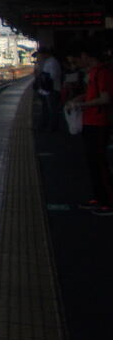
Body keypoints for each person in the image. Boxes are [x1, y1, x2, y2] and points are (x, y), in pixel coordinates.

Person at [66, 41, 113, 215]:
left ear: (85, 55)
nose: (77, 64)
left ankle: (108, 203)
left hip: (99, 123)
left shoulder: (102, 72)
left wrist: (83, 104)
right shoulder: (94, 72)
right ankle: (98, 198)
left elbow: (106, 98)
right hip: (90, 122)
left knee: (100, 163)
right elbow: (95, 95)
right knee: (93, 163)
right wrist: (80, 98)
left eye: (77, 60)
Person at [34, 47, 63, 131]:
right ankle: (45, 126)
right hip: (47, 89)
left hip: (52, 89)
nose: (40, 56)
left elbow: (53, 76)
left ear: (45, 54)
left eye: (40, 54)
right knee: (46, 108)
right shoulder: (48, 61)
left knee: (52, 109)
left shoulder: (52, 62)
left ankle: (53, 127)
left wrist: (43, 76)